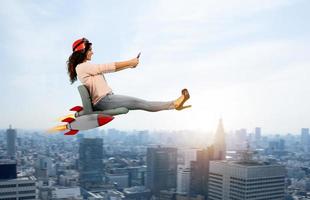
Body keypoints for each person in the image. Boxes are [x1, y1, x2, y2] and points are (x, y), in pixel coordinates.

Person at [67, 38, 191, 113]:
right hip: (104, 101)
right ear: (82, 51)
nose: (92, 52)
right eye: (90, 50)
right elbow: (107, 67)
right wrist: (130, 62)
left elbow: (108, 69)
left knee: (143, 103)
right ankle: (174, 104)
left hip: (107, 99)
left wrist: (129, 65)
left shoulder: (85, 67)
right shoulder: (82, 67)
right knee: (143, 103)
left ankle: (174, 105)